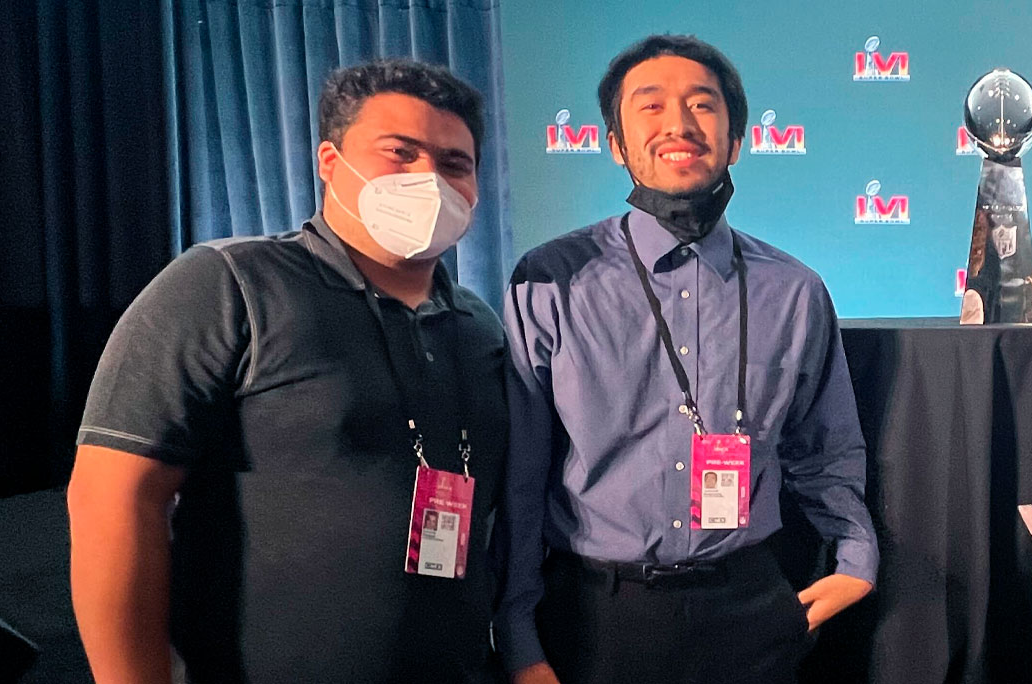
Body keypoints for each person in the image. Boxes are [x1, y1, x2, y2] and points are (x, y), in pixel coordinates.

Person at [68, 59, 506, 683]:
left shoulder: (479, 326)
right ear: (331, 161)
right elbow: (112, 497)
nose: (427, 178)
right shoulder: (229, 284)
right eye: (399, 152)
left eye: (454, 164)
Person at [497, 34, 878, 684]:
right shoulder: (550, 280)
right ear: (615, 143)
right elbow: (522, 475)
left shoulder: (794, 291)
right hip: (597, 620)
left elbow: (827, 449)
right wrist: (518, 636)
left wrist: (856, 560)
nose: (678, 123)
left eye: (702, 105)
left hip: (750, 609)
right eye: (650, 106)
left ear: (735, 140)